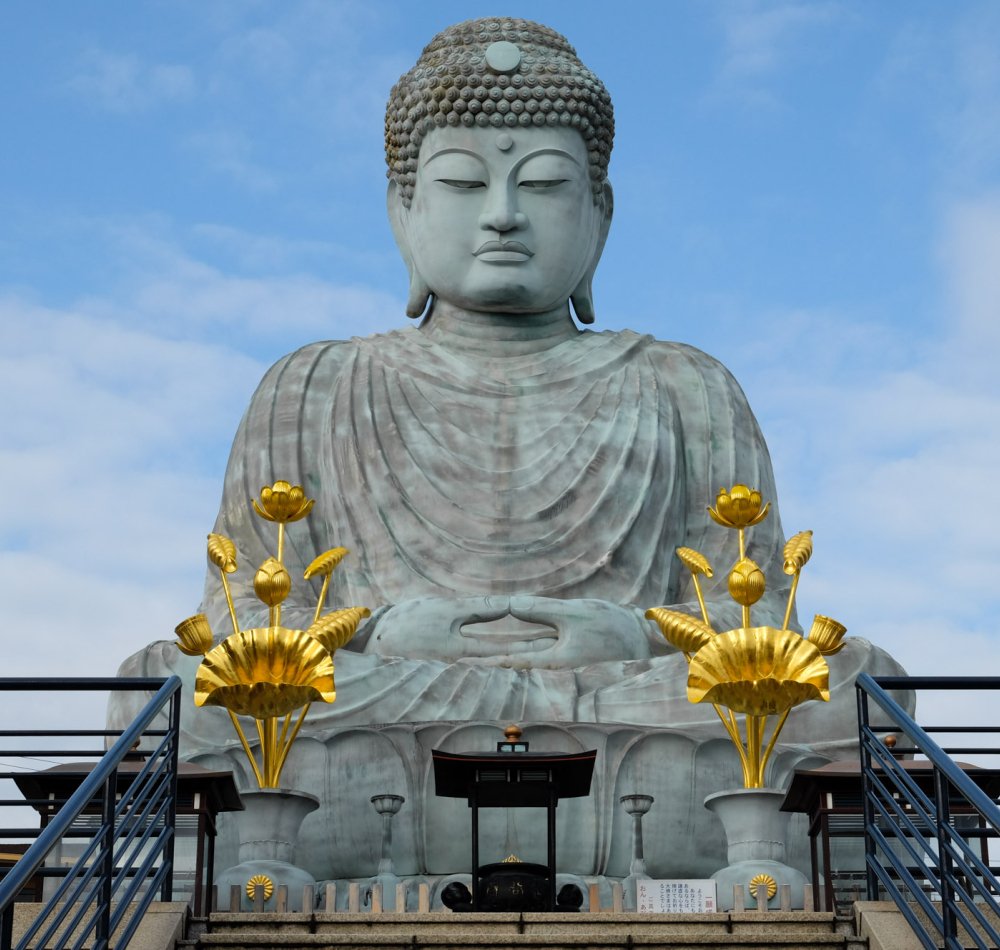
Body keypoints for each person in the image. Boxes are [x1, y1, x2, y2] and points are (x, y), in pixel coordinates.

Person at [113, 18, 907, 889]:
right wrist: (380, 628)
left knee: (857, 688)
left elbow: (756, 638)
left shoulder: (687, 384)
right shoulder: (310, 385)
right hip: (394, 688)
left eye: (544, 184)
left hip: (620, 688)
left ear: (599, 215)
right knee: (171, 691)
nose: (503, 214)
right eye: (462, 183)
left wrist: (634, 630)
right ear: (401, 212)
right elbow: (242, 634)